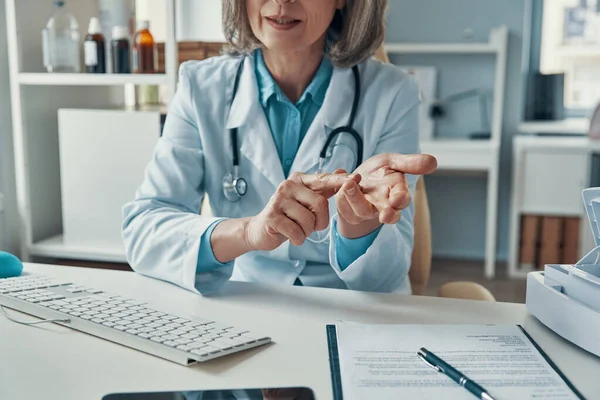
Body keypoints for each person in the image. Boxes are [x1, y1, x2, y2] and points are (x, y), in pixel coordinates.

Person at [122, 0, 437, 295]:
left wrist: (361, 225)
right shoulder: (200, 87)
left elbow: (387, 278)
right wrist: (248, 233)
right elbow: (143, 233)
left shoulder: (394, 93)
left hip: (354, 313)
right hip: (250, 304)